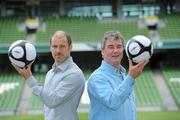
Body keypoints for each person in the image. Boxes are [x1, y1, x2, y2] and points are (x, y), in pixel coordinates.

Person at [12, 30, 85, 120]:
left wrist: (29, 78)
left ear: (70, 47)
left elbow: (52, 101)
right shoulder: (49, 73)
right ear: (50, 48)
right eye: (54, 46)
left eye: (62, 46)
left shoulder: (74, 74)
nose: (58, 51)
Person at [87, 31, 149, 120]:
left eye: (119, 46)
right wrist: (131, 77)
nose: (115, 50)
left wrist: (129, 77)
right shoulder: (97, 78)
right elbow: (113, 102)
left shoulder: (124, 75)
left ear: (123, 50)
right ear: (102, 51)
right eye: (111, 47)